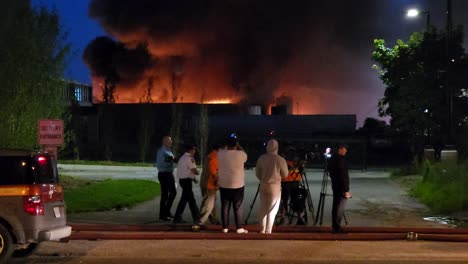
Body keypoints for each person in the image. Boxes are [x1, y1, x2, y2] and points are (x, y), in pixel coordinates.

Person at [255, 139, 288, 234]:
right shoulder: (280, 159)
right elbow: (285, 174)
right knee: (272, 210)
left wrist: (263, 178)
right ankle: (268, 231)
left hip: (263, 184)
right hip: (275, 187)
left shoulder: (261, 158)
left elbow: (257, 173)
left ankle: (262, 230)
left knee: (263, 208)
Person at [217, 136, 248, 234]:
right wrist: (238, 146)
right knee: (238, 206)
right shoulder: (241, 154)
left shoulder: (220, 154)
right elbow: (246, 155)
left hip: (224, 184)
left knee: (225, 206)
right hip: (238, 184)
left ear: (227, 145)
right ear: (236, 145)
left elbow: (223, 149)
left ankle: (225, 228)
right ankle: (239, 228)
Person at [173, 144, 201, 225]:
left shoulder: (182, 158)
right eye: (194, 150)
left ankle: (177, 217)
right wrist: (197, 173)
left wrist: (193, 179)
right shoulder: (189, 158)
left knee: (184, 200)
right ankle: (197, 218)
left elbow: (186, 171)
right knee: (191, 200)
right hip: (186, 182)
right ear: (190, 150)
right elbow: (193, 170)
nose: (195, 151)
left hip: (183, 181)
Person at [327, 143, 351, 234]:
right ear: (340, 149)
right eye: (345, 149)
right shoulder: (339, 159)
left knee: (337, 205)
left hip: (336, 185)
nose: (346, 151)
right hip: (340, 187)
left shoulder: (333, 159)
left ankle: (336, 225)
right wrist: (346, 189)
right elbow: (342, 175)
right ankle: (336, 226)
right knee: (339, 207)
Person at [199, 142, 224, 225]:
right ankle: (201, 221)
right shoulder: (215, 157)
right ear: (219, 149)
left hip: (205, 182)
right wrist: (218, 183)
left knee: (210, 202)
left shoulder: (209, 156)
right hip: (209, 183)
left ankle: (212, 219)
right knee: (208, 202)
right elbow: (214, 172)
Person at [156, 136, 176, 221]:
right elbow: (160, 164)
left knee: (173, 193)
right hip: (164, 174)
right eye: (169, 141)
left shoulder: (168, 151)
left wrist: (172, 160)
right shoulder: (162, 151)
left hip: (169, 174)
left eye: (171, 141)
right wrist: (171, 160)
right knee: (165, 194)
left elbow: (171, 160)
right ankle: (162, 215)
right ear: (164, 142)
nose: (170, 142)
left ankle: (166, 211)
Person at [279, 156, 305, 225]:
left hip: (292, 181)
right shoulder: (285, 160)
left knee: (294, 200)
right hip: (289, 182)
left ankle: (283, 217)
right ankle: (283, 217)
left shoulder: (285, 160)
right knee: (287, 200)